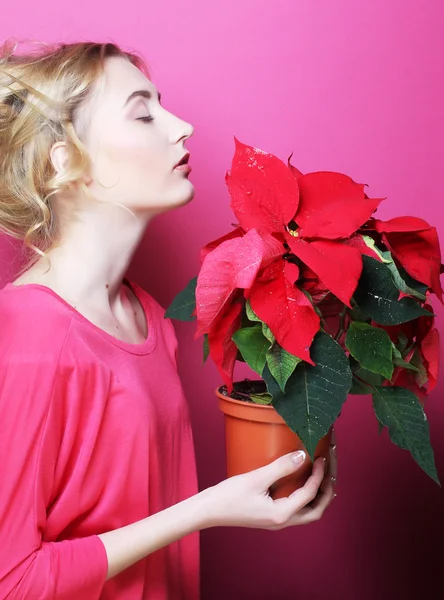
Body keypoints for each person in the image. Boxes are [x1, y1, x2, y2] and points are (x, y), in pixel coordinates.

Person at [0, 40, 337, 599]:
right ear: (64, 158)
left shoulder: (148, 317)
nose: (183, 127)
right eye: (142, 113)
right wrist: (208, 509)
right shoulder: (28, 336)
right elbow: (10, 579)